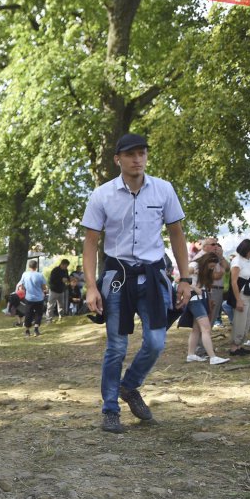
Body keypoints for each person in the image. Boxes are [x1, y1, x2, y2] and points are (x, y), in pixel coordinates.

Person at [82, 133, 191, 434]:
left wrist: (185, 279)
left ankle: (129, 386)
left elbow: (177, 234)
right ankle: (110, 410)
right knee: (116, 347)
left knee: (156, 342)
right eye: (130, 154)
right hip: (117, 277)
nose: (137, 159)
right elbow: (90, 242)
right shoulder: (102, 195)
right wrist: (91, 286)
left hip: (153, 275)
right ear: (117, 159)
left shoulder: (163, 189)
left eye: (142, 153)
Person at [183, 253, 229, 365]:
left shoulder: (204, 270)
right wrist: (194, 287)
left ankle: (191, 354)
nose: (212, 269)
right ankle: (212, 357)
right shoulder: (194, 265)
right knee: (206, 328)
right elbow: (179, 278)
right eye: (211, 266)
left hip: (202, 298)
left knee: (196, 329)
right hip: (195, 299)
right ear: (206, 261)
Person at [228, 238, 250, 357]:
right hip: (241, 293)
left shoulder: (249, 260)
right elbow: (234, 282)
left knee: (247, 320)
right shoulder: (237, 261)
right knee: (240, 320)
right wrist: (238, 300)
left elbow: (249, 275)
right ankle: (234, 346)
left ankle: (240, 345)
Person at [17, 260, 47, 336]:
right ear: (36, 266)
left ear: (29, 266)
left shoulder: (25, 274)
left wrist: (25, 289)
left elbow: (21, 286)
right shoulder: (40, 275)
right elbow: (44, 287)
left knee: (28, 314)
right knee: (38, 313)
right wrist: (44, 290)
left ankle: (27, 331)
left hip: (29, 298)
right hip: (39, 298)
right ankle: (36, 330)